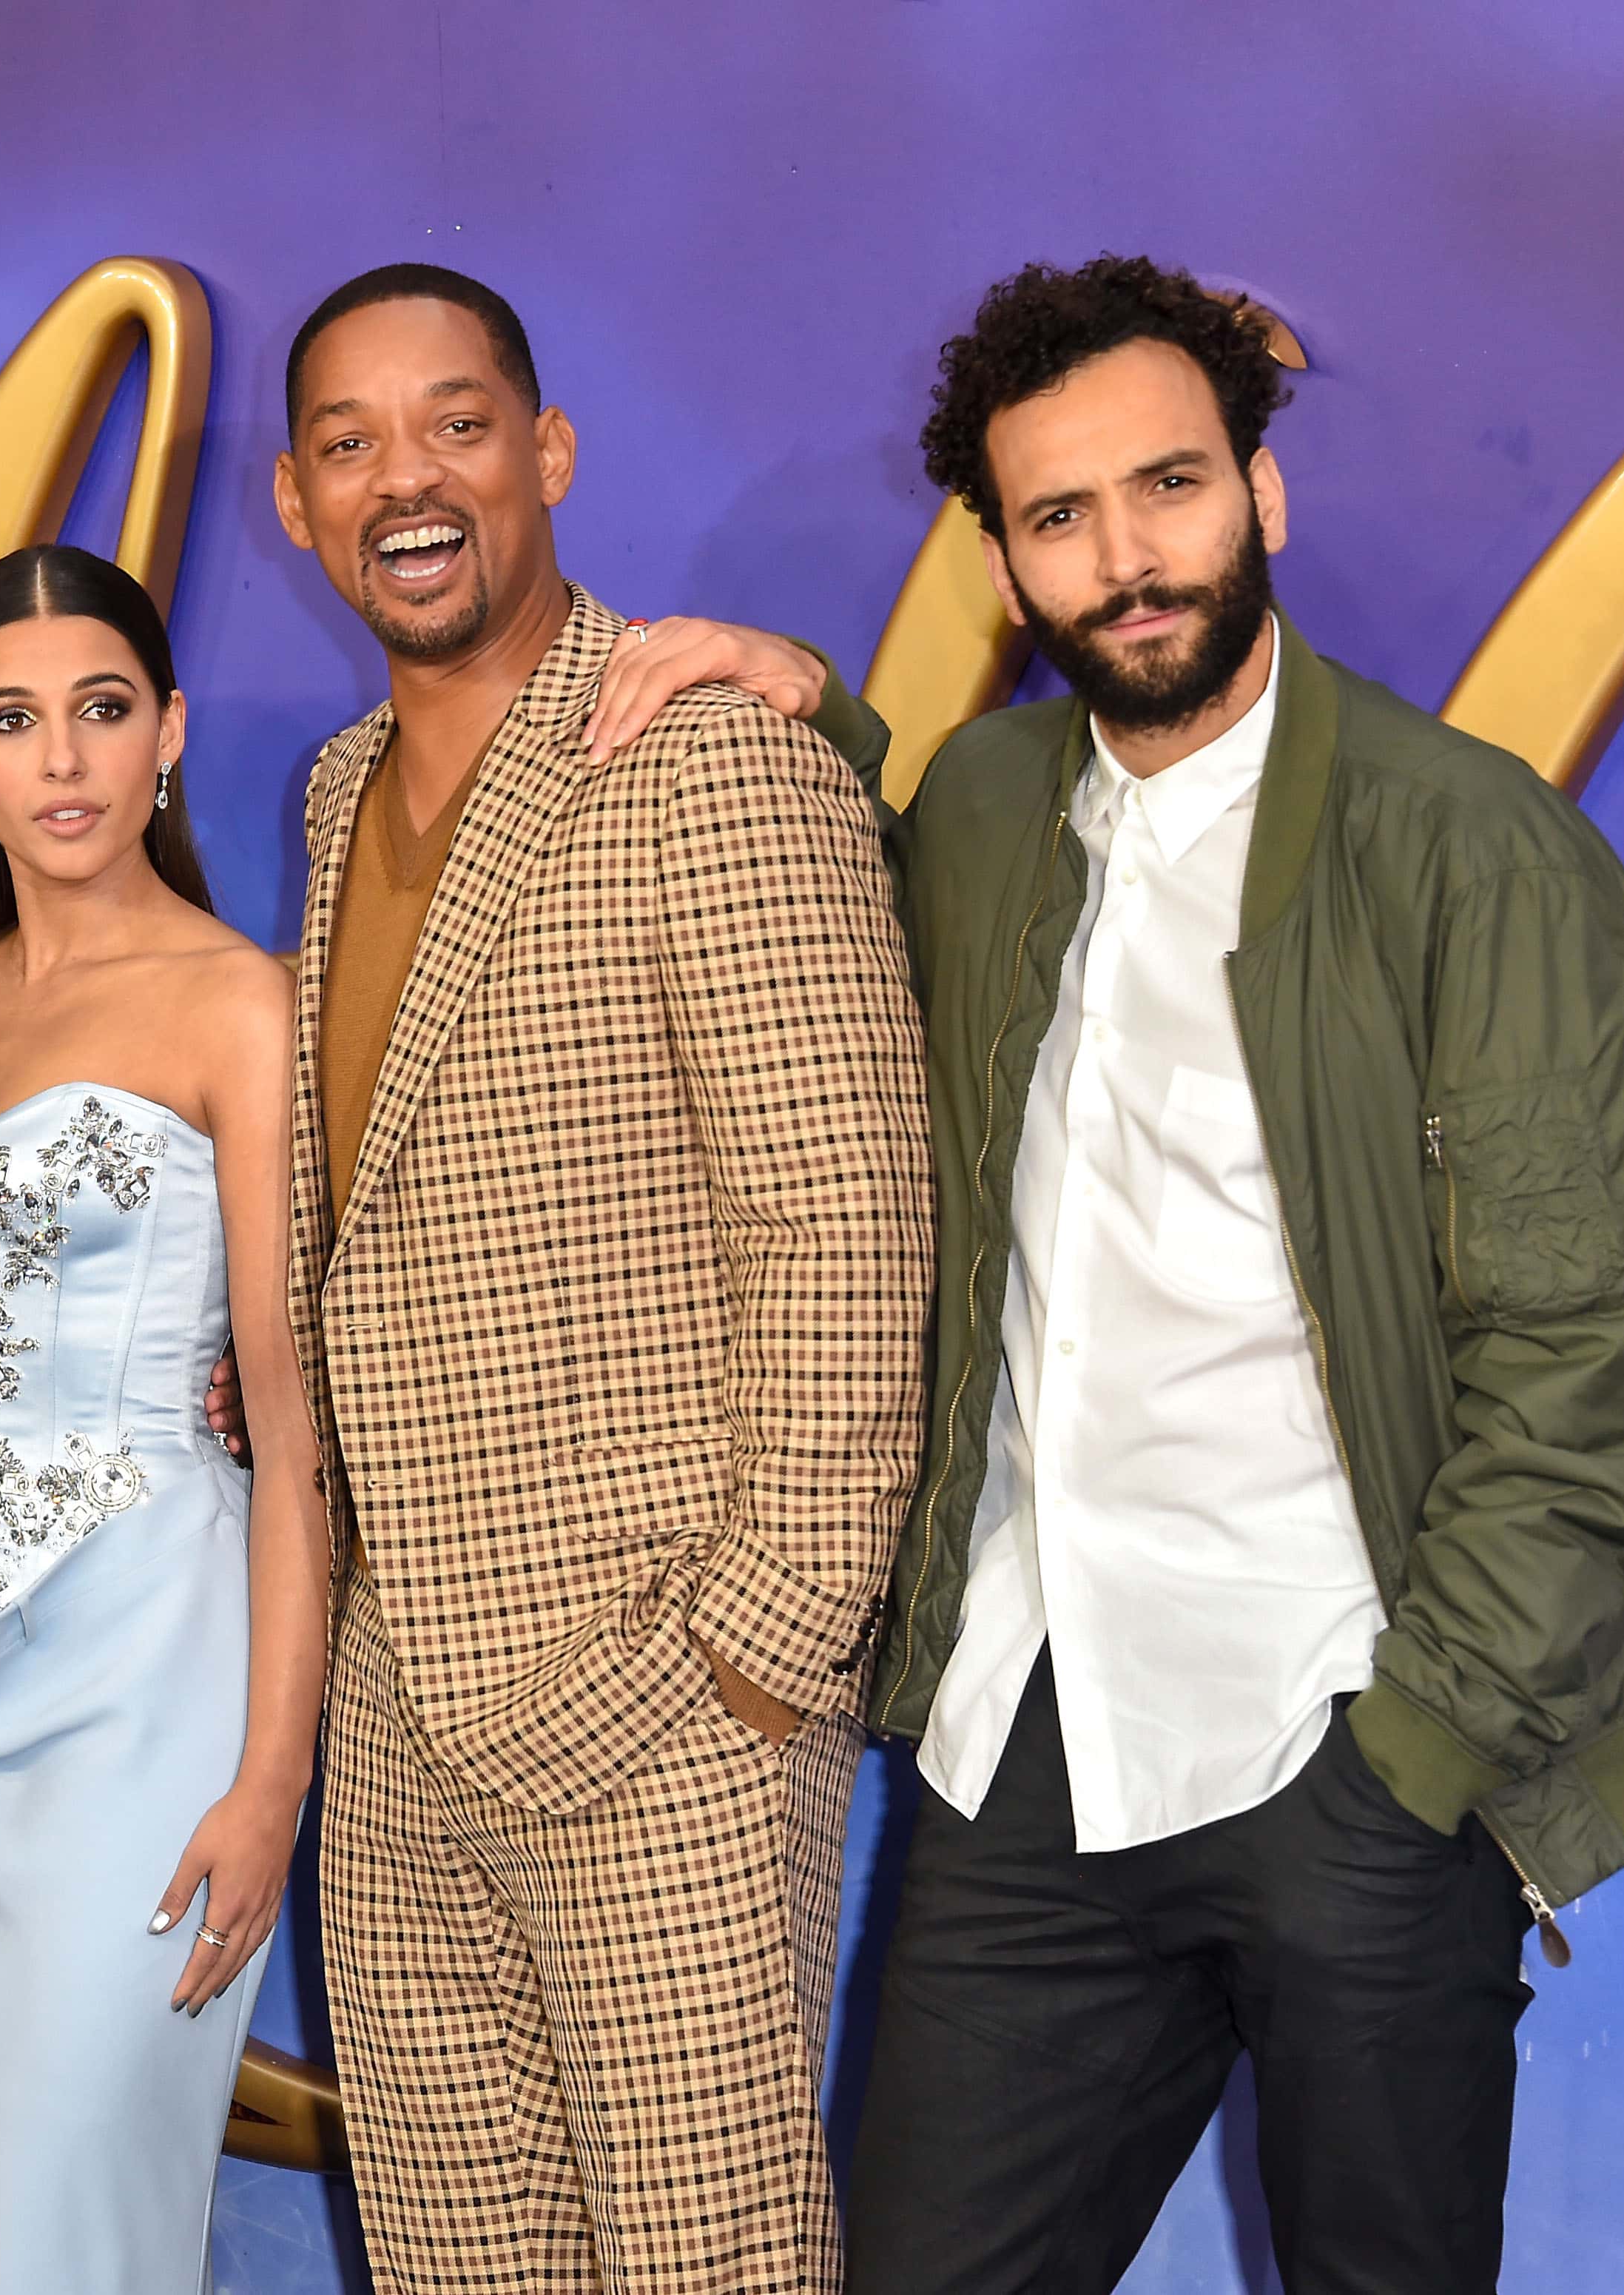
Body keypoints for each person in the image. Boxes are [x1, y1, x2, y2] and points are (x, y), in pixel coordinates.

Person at [596, 255, 1624, 2294]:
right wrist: (803, 698)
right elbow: (860, 955)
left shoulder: (1470, 850)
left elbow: (1614, 1364)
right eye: (1059, 515)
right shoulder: (984, 810)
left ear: (1261, 493)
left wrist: (1419, 1751)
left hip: (1348, 1732)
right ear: (1002, 562)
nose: (1127, 558)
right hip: (1035, 1745)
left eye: (1170, 486)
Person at [272, 263, 937, 2292]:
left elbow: (846, 1225)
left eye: (457, 425)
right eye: (350, 443)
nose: (406, 480)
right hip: (395, 1711)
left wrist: (753, 1653)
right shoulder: (333, 793)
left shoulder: (712, 757)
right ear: (296, 503)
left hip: (664, 1698)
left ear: (546, 453)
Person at [0, 542, 328, 2294]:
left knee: (68, 2211)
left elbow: (291, 1426)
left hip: (142, 1674)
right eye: (11, 718)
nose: (61, 759)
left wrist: (270, 1783)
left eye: (101, 710)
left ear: (167, 732)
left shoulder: (240, 1000)